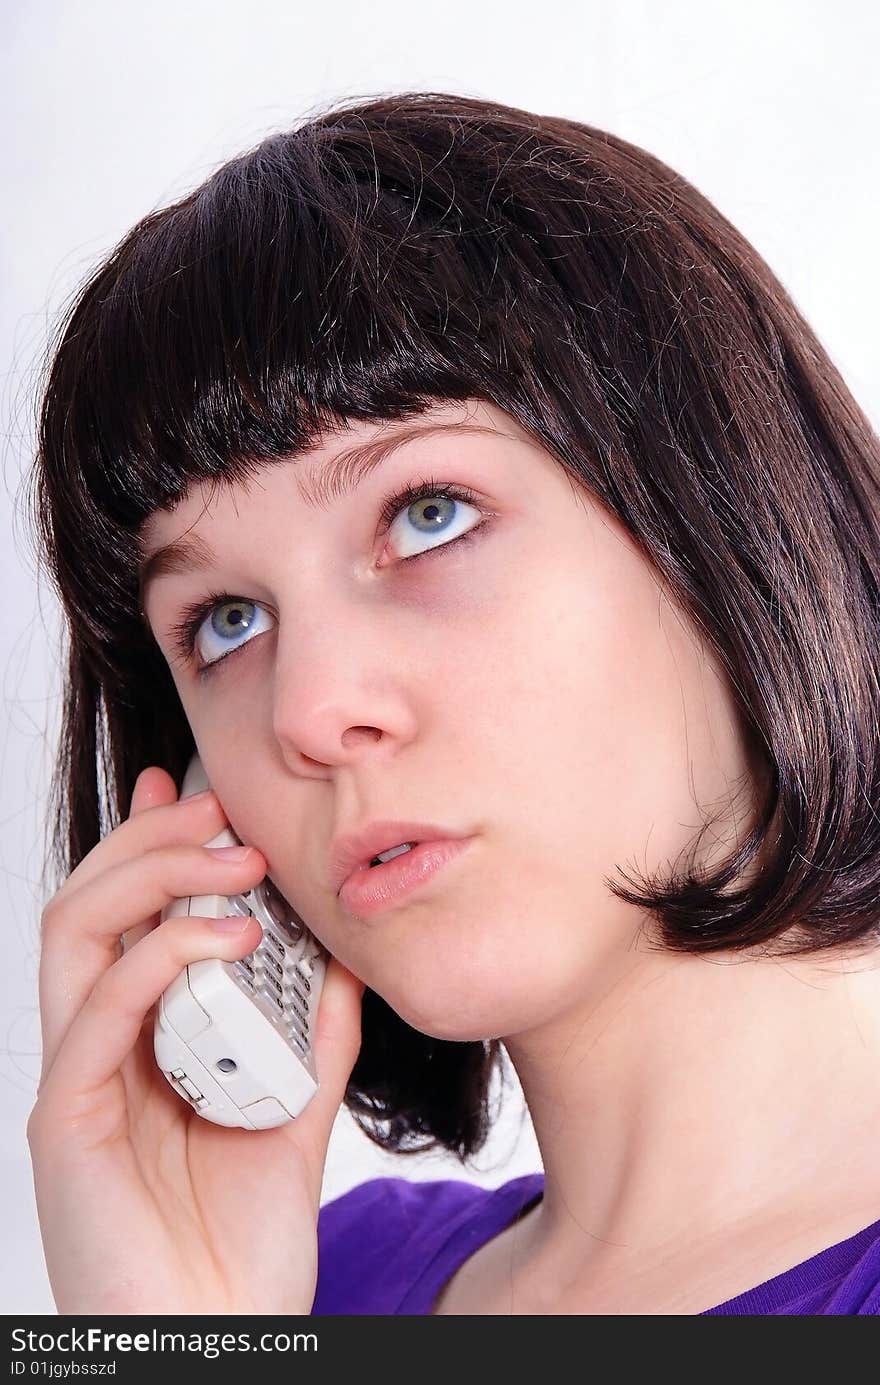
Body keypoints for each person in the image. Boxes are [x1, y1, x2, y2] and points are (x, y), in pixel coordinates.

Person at [24, 90, 880, 1316]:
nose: (309, 713)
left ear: (724, 519)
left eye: (428, 514)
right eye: (227, 619)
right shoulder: (308, 1277)